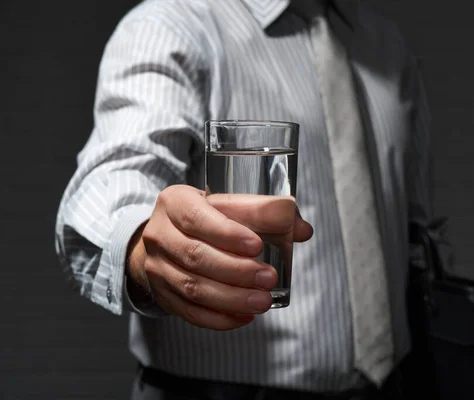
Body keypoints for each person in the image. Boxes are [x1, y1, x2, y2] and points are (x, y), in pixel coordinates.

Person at [55, 0, 434, 398]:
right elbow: (109, 184)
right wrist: (145, 248)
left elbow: (414, 226)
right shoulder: (170, 23)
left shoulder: (386, 44)